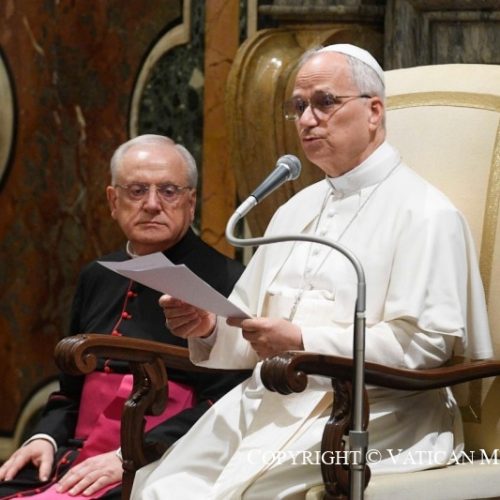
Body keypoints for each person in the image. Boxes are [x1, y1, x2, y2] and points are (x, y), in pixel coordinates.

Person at [131, 45, 493, 499]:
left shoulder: (426, 213)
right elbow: (250, 328)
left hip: (378, 413)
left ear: (374, 112)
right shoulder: (294, 210)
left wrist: (303, 342)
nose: (306, 120)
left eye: (324, 102)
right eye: (299, 106)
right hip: (270, 401)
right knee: (160, 485)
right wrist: (207, 326)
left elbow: (424, 345)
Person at [0, 134, 247, 499]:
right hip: (74, 454)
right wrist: (44, 437)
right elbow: (69, 391)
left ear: (191, 202)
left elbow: (227, 401)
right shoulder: (97, 275)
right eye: (136, 191)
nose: (152, 204)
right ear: (113, 201)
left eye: (169, 191)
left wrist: (131, 454)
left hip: (162, 459)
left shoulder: (229, 279)